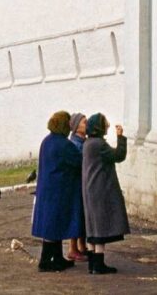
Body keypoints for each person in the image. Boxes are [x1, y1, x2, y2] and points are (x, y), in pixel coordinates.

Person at [30, 110, 83, 272]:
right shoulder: (64, 144)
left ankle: (57, 258)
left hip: (47, 189)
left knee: (52, 224)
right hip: (59, 190)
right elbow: (79, 162)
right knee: (55, 225)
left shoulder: (46, 141)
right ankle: (45, 261)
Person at [81, 113, 129, 275]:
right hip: (100, 188)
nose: (108, 125)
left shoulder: (88, 143)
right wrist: (121, 138)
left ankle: (93, 264)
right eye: (105, 123)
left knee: (92, 226)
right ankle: (99, 263)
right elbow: (118, 156)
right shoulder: (99, 144)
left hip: (90, 188)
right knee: (100, 226)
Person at [66, 112, 90, 262]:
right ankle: (72, 248)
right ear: (75, 127)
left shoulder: (83, 141)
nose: (86, 125)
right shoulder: (75, 144)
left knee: (82, 215)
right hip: (76, 184)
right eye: (83, 122)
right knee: (76, 214)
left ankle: (82, 245)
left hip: (82, 183)